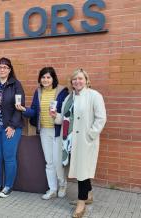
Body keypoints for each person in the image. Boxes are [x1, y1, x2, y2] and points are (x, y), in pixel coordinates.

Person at [51, 69, 106, 218]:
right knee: (81, 169)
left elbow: (101, 118)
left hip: (84, 140)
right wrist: (56, 116)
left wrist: (90, 135)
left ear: (86, 80)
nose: (77, 82)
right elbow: (65, 118)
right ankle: (88, 195)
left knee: (82, 171)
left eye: (80, 79)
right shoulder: (70, 97)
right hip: (69, 141)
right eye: (74, 79)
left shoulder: (94, 96)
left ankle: (82, 203)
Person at [15, 67, 69, 200]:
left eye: (48, 77)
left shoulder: (62, 91)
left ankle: (63, 184)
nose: (45, 80)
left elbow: (67, 111)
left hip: (58, 131)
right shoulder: (38, 91)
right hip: (45, 130)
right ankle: (52, 189)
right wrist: (24, 110)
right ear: (40, 79)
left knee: (57, 162)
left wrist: (57, 115)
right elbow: (34, 111)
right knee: (49, 162)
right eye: (43, 77)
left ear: (53, 78)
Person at [0, 57, 25, 198]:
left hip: (10, 128)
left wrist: (13, 125)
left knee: (9, 157)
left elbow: (19, 107)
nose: (2, 69)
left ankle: (8, 186)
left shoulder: (16, 85)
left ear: (9, 70)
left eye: (5, 67)